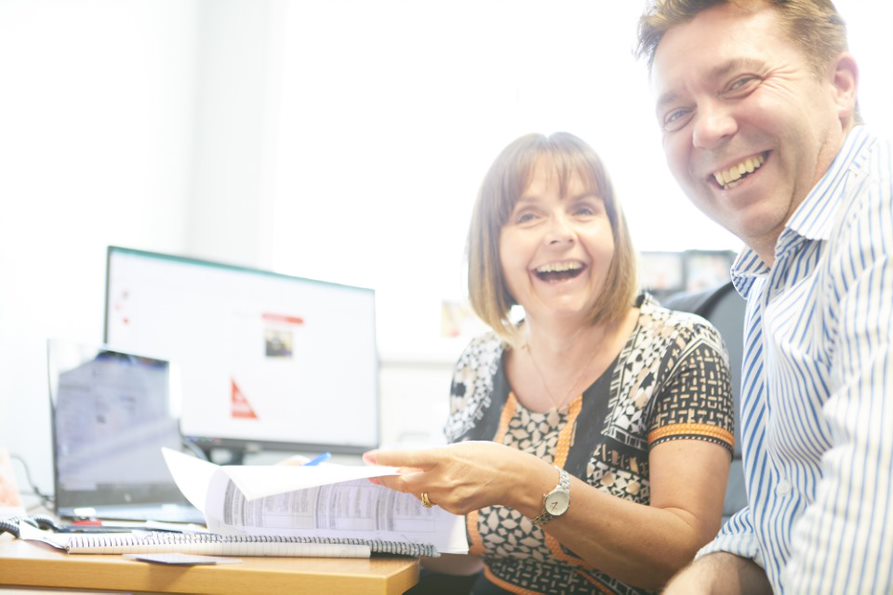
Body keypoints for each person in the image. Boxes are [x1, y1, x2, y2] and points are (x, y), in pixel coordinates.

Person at [364, 132, 735, 594]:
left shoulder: (682, 348)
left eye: (583, 209)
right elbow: (465, 553)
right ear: (493, 249)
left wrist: (526, 483)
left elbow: (688, 558)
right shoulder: (480, 359)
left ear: (614, 233)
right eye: (528, 216)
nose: (560, 233)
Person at [636, 1, 893, 593]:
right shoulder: (770, 268)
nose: (708, 129)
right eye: (678, 112)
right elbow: (781, 514)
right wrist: (707, 576)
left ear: (840, 85)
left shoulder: (878, 219)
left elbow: (868, 541)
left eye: (741, 83)